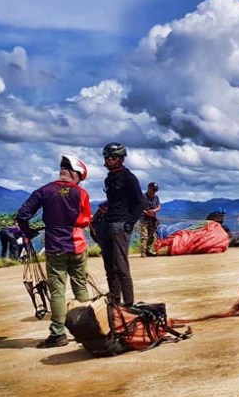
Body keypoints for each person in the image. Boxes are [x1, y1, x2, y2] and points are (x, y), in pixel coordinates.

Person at [16, 155, 92, 348]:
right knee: (80, 286)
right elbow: (85, 221)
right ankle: (87, 329)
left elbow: (22, 215)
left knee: (57, 291)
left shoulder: (44, 191)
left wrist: (28, 231)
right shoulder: (81, 193)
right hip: (77, 246)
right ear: (75, 174)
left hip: (55, 246)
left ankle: (58, 334)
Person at [97, 142, 146, 305]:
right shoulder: (109, 178)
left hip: (121, 224)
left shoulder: (129, 178)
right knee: (109, 266)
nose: (110, 159)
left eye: (114, 156)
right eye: (107, 156)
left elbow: (141, 202)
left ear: (122, 158)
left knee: (121, 266)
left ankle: (129, 304)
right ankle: (115, 301)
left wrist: (130, 222)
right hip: (108, 224)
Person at [140, 182, 161, 257]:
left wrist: (154, 211)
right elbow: (138, 207)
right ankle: (143, 252)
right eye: (153, 189)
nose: (154, 191)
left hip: (152, 219)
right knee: (144, 236)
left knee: (151, 236)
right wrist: (146, 212)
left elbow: (159, 207)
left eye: (155, 190)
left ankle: (148, 250)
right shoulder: (142, 196)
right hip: (144, 218)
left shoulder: (156, 197)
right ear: (149, 188)